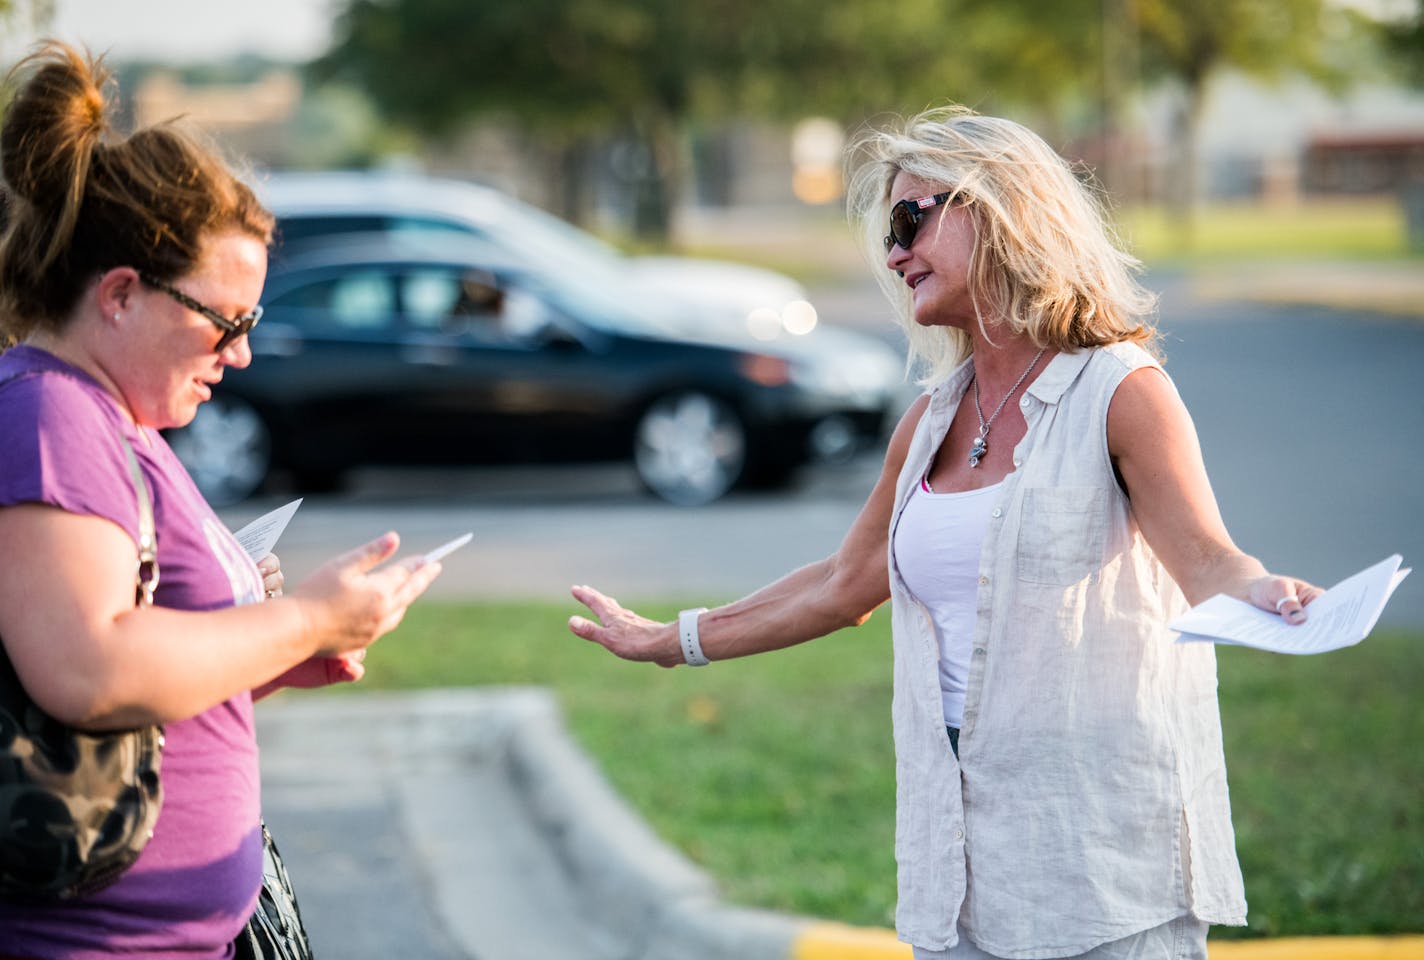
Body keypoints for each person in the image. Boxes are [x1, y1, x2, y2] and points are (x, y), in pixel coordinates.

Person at [568, 104, 1323, 960]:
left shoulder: (1120, 393)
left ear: (998, 211)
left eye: (909, 220)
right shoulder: (930, 420)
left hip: (1096, 863)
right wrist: (677, 642)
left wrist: (1265, 591)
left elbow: (1206, 560)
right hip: (956, 862)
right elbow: (841, 584)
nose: (894, 255)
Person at [0, 42, 442, 956]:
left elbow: (122, 681)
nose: (239, 352)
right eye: (225, 320)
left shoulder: (107, 420)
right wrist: (305, 620)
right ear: (121, 294)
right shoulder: (50, 413)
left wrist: (267, 661)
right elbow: (87, 670)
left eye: (254, 324)